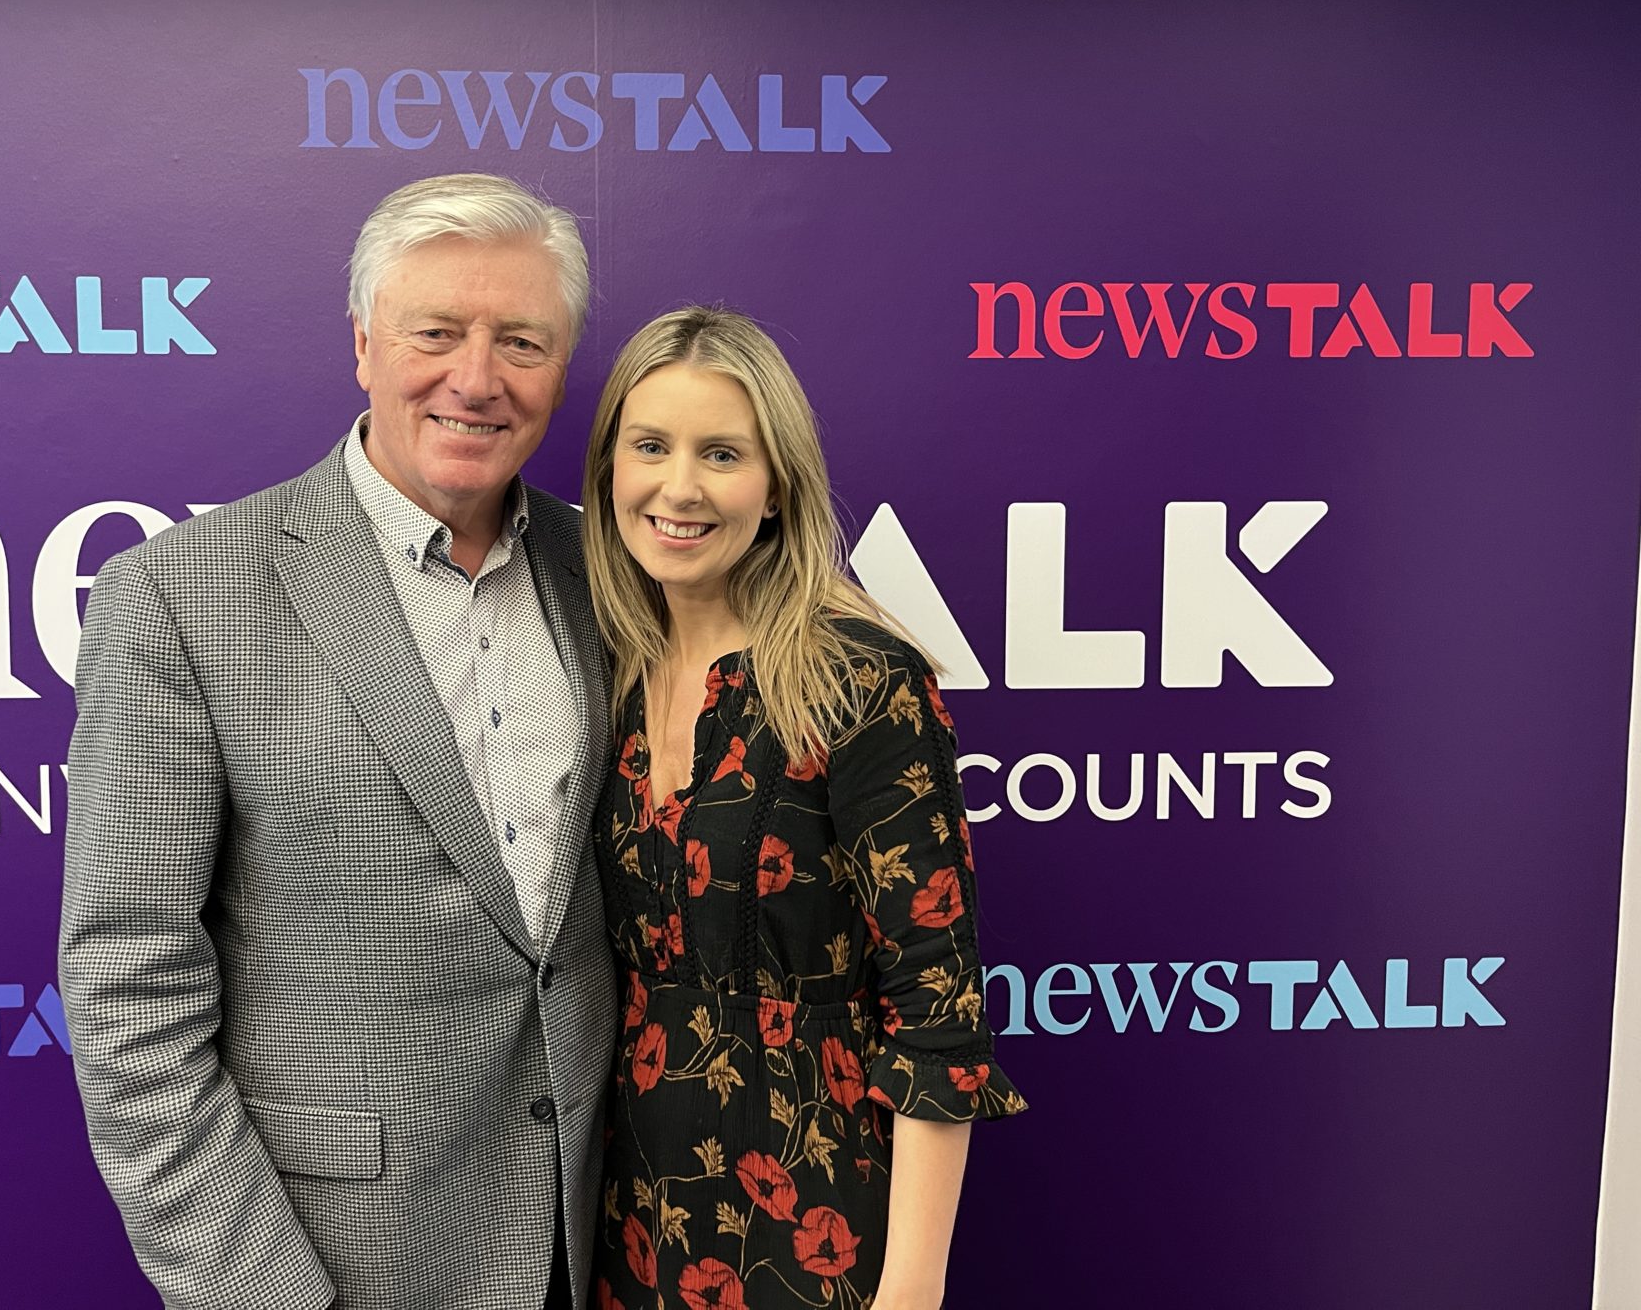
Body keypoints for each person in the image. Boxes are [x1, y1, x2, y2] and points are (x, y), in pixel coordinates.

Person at [59, 173, 616, 1310]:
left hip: (600, 1233)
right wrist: (254, 1293)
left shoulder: (610, 573)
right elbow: (127, 982)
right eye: (437, 333)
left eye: (522, 340)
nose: (477, 377)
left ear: (561, 369)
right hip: (337, 1257)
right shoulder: (179, 595)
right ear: (365, 345)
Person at [579, 307, 1025, 1310]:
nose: (679, 487)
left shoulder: (862, 681)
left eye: (721, 453)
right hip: (627, 1211)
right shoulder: (602, 668)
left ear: (776, 484)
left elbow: (936, 1011)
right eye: (651, 446)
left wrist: (909, 1292)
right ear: (612, 468)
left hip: (810, 1214)